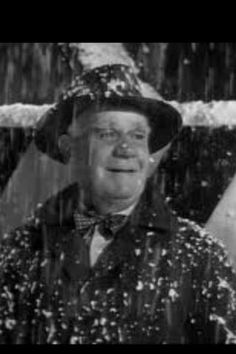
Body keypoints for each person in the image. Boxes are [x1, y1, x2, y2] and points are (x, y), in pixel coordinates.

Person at [0, 64, 236, 344]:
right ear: (68, 148)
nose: (126, 149)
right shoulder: (18, 251)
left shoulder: (201, 257)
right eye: (107, 133)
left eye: (137, 136)